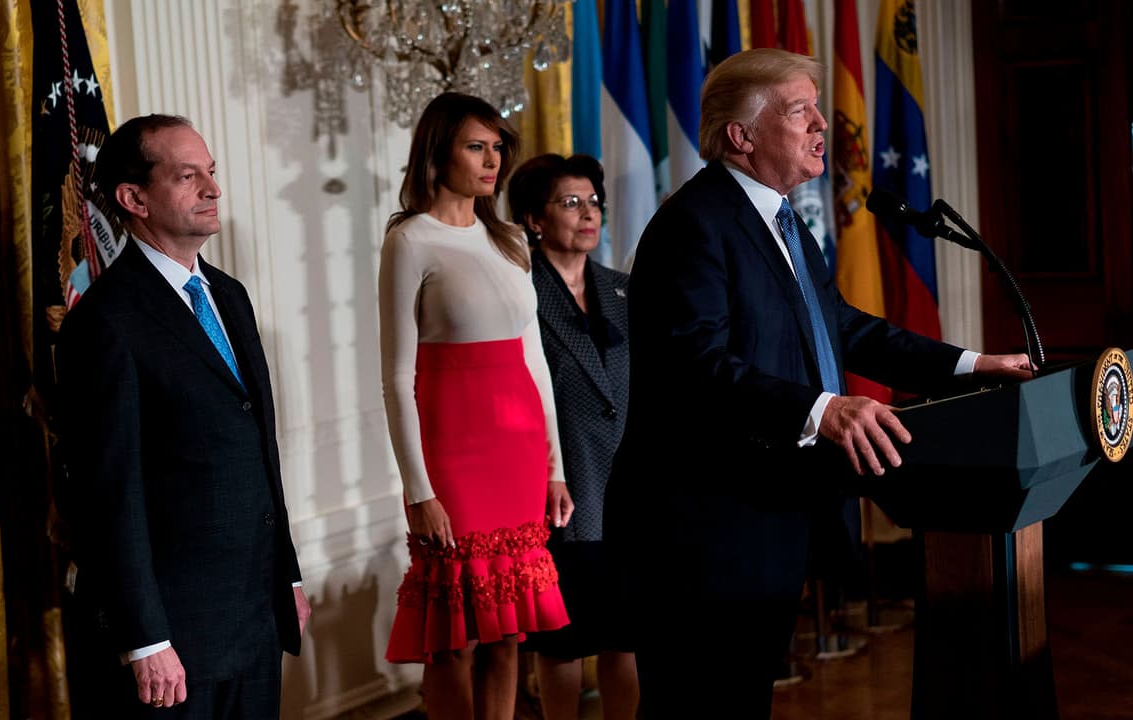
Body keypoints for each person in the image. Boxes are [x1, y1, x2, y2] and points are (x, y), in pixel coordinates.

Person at [602, 48, 1034, 718]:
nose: (820, 124)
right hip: (701, 531)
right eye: (798, 110)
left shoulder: (779, 218)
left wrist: (972, 366)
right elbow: (696, 365)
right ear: (742, 136)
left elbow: (842, 327)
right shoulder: (695, 224)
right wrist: (823, 410)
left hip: (767, 516)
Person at [56, 114, 309, 719]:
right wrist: (145, 637)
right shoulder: (104, 321)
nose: (213, 189)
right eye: (188, 176)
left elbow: (258, 450)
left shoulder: (229, 295)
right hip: (173, 636)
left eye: (211, 172)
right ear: (134, 198)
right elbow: (106, 495)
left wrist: (288, 577)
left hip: (254, 613)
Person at [378, 92, 574, 719]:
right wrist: (419, 490)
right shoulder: (410, 239)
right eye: (475, 147)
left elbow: (536, 363)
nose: (492, 161)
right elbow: (396, 377)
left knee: (507, 630)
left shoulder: (511, 239)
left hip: (519, 458)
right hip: (452, 461)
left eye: (497, 148)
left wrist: (555, 469)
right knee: (454, 636)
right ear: (439, 153)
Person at [506, 154, 638, 720]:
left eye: (594, 203)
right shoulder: (518, 295)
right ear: (535, 219)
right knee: (562, 639)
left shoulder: (625, 290)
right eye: (571, 203)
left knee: (625, 637)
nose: (589, 214)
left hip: (628, 494)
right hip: (556, 493)